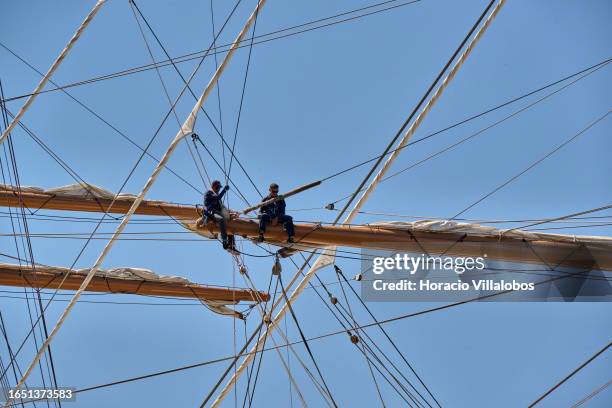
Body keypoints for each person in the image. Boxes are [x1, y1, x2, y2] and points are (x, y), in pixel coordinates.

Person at [202, 180, 233, 250]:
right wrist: (224, 190)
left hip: (218, 212)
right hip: (212, 212)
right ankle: (224, 241)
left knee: (231, 223)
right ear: (213, 186)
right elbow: (217, 198)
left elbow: (221, 206)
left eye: (219, 188)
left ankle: (231, 245)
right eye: (217, 188)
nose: (218, 189)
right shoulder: (209, 193)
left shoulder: (217, 197)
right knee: (221, 220)